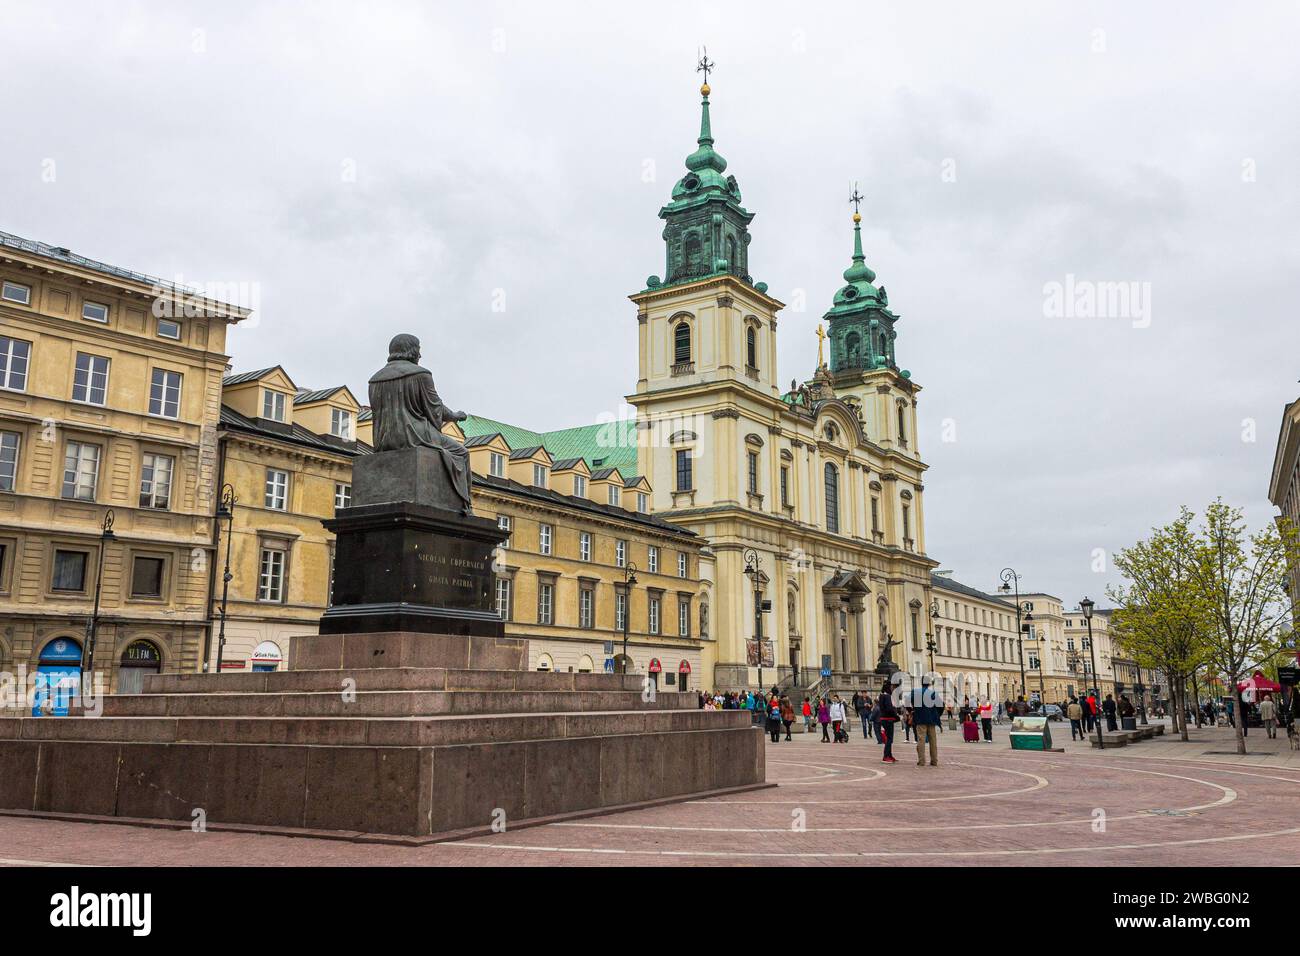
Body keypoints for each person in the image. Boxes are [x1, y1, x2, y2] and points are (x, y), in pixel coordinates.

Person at [911, 678, 942, 766]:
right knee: (933, 740)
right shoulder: (933, 693)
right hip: (931, 719)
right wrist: (937, 715)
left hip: (920, 719)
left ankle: (921, 761)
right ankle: (934, 760)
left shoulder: (915, 692)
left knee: (921, 740)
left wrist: (915, 710)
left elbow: (909, 702)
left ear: (921, 683)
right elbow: (941, 705)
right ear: (929, 684)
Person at [877, 682, 899, 763]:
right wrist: (896, 716)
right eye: (892, 687)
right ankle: (886, 756)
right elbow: (889, 708)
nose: (893, 689)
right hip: (888, 718)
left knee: (889, 738)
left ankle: (889, 755)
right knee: (889, 739)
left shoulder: (881, 695)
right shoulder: (887, 696)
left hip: (884, 718)